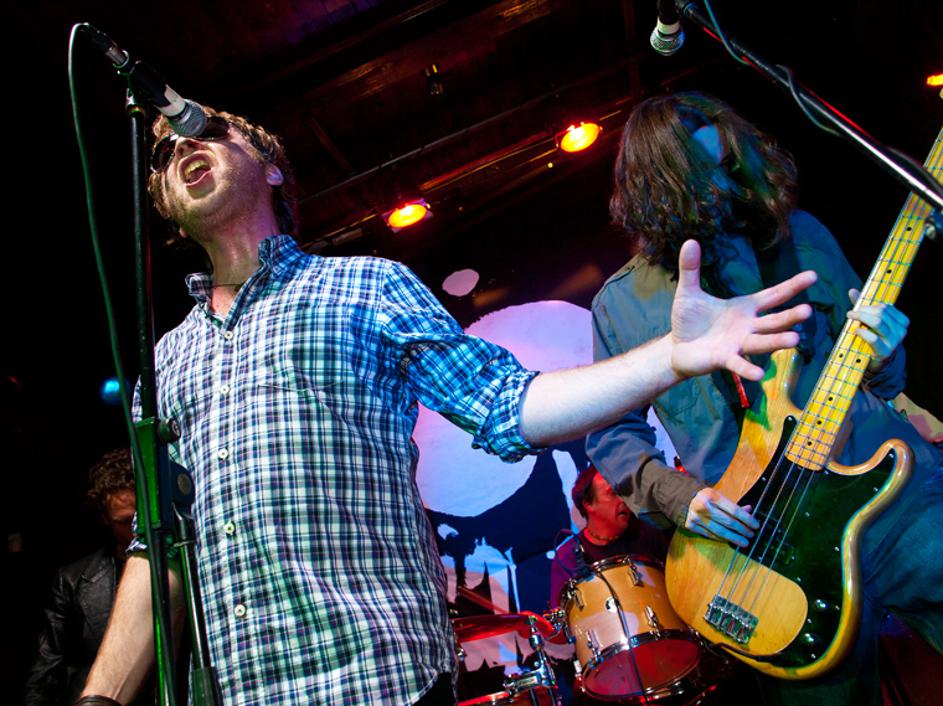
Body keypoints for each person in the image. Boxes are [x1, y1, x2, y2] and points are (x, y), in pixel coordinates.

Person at [77, 105, 815, 706]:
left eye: (205, 130)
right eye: (163, 152)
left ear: (270, 166)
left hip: (377, 681)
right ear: (166, 209)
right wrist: (99, 698)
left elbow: (509, 403)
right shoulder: (162, 365)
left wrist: (670, 356)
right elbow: (157, 548)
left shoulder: (363, 287)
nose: (181, 145)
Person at [586, 92, 943, 705]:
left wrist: (886, 355)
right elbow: (611, 432)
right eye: (700, 179)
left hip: (891, 499)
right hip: (766, 548)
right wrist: (681, 499)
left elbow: (878, 378)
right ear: (655, 187)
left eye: (728, 166)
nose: (723, 189)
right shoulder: (620, 305)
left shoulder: (800, 236)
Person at [24, 449, 150, 706]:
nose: (136, 529)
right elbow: (47, 671)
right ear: (105, 519)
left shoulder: (186, 564)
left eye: (141, 517)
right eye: (124, 522)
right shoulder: (72, 581)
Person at [549, 465, 668, 609]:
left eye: (625, 492)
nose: (624, 499)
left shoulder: (648, 533)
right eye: (613, 493)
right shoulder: (566, 558)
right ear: (588, 504)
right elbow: (562, 615)